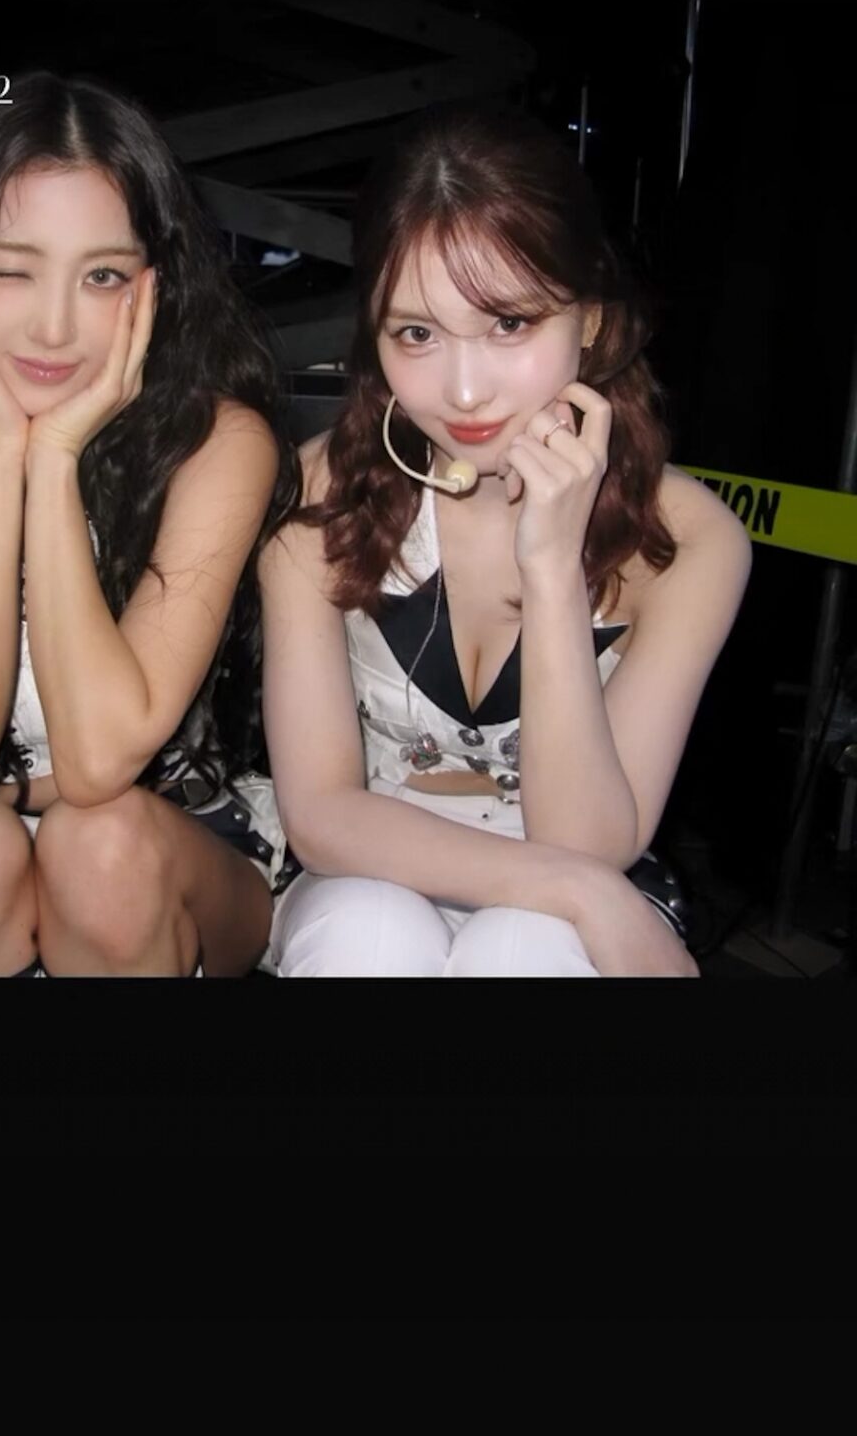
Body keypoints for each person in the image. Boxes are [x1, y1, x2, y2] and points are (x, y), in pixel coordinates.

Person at [0, 70, 297, 976]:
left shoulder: (217, 445)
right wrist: (4, 457)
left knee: (98, 845)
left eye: (102, 276)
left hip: (172, 832)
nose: (54, 327)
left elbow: (100, 763)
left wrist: (57, 456)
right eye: (10, 270)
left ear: (154, 288)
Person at [260, 102, 752, 977]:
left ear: (589, 321)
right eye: (417, 333)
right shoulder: (318, 493)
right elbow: (322, 812)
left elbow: (589, 843)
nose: (464, 391)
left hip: (576, 879)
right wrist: (582, 894)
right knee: (369, 931)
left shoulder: (689, 541)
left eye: (509, 324)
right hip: (371, 862)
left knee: (522, 946)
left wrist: (552, 565)